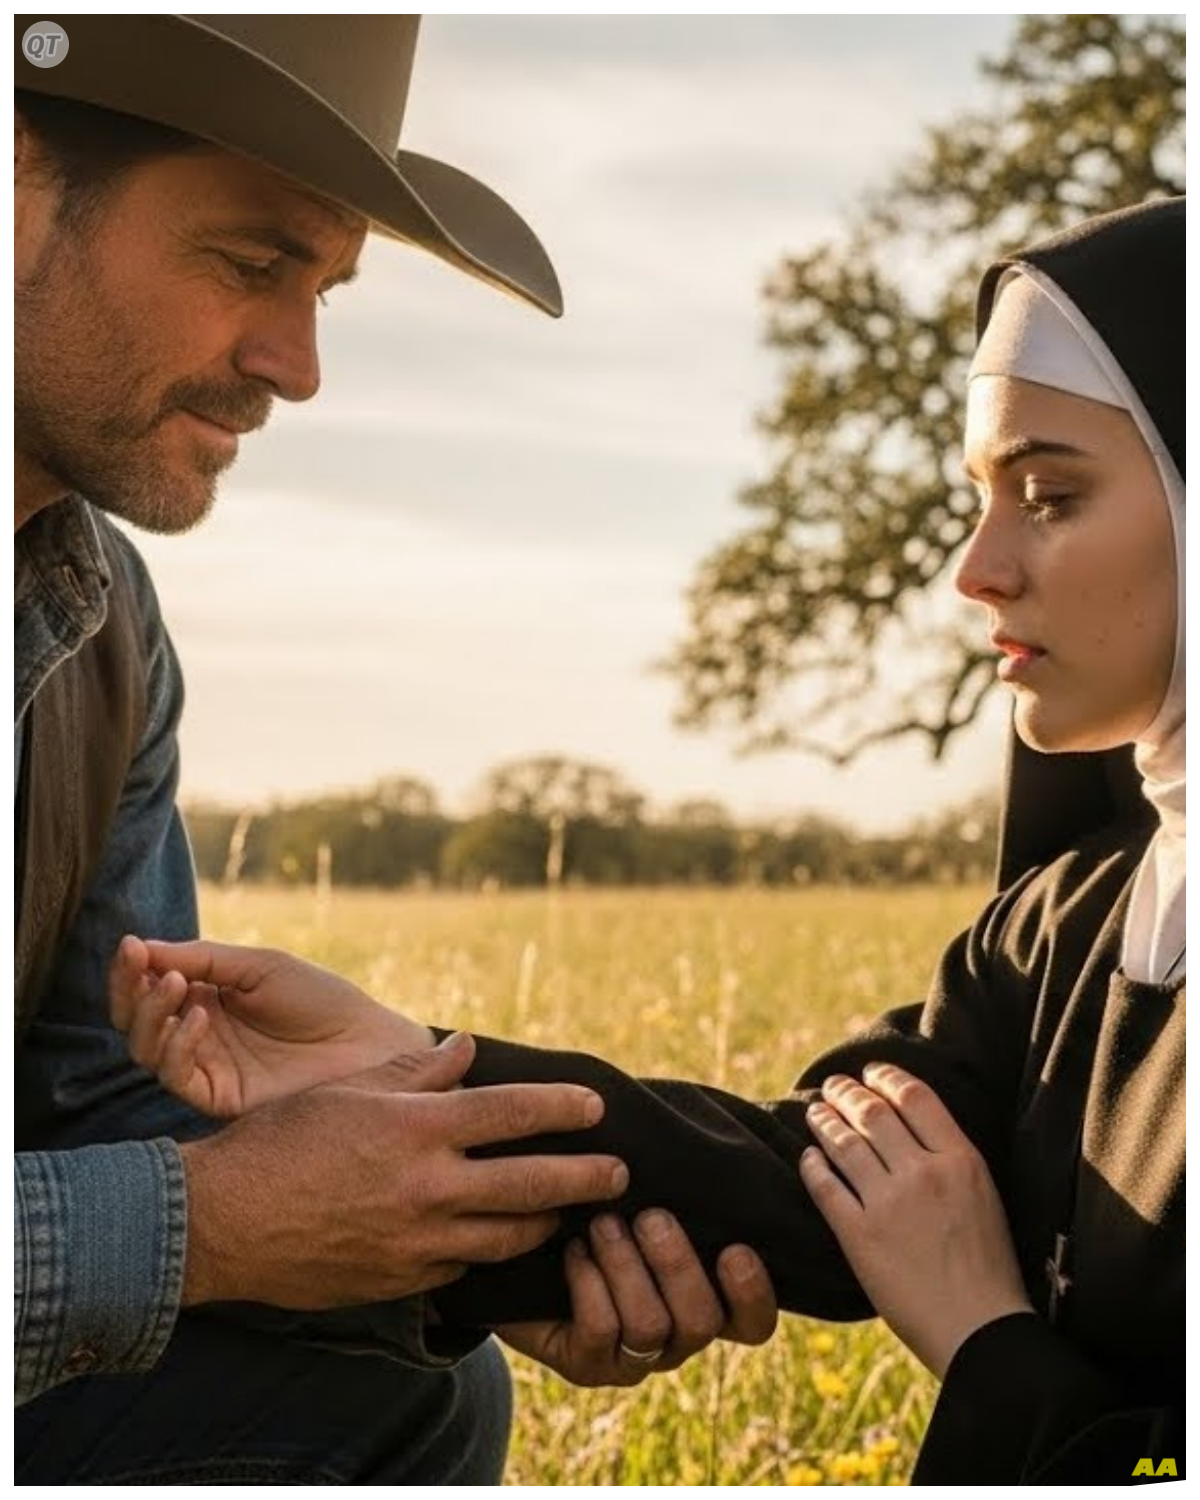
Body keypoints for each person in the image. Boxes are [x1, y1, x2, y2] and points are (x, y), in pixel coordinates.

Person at [124, 197, 1184, 1484]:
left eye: (1051, 495)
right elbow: (813, 1181)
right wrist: (411, 1070)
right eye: (978, 498)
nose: (977, 569)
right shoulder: (1071, 918)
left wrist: (984, 1340)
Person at [14, 15, 778, 1486]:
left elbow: (78, 1090)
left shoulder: (100, 618)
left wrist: (452, 1243)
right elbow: (172, 1199)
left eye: (326, 291)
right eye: (248, 264)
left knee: (398, 1382)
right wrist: (217, 1224)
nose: (296, 367)